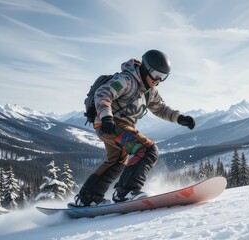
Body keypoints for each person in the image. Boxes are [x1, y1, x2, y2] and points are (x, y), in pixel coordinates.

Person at [73, 49, 195, 207]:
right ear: (147, 69)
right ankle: (126, 191)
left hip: (117, 125)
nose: (158, 81)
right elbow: (103, 93)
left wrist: (180, 118)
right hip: (110, 123)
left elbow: (161, 109)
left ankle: (87, 197)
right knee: (148, 150)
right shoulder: (126, 80)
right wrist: (107, 116)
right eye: (157, 75)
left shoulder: (150, 91)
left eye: (163, 77)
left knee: (117, 160)